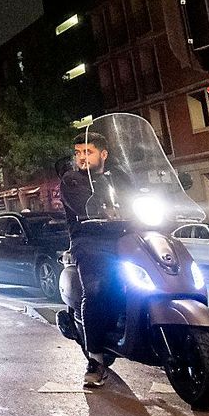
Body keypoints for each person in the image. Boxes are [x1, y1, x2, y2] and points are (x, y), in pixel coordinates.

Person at [60, 131, 127, 388]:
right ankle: (96, 360)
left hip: (123, 238)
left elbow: (136, 194)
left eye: (87, 152)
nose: (81, 158)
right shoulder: (72, 180)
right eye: (78, 153)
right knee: (96, 288)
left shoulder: (118, 176)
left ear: (104, 154)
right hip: (89, 241)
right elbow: (83, 205)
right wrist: (103, 209)